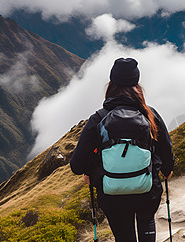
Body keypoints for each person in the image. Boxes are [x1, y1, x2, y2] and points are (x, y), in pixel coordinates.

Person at [70, 58, 174, 242]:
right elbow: (166, 149)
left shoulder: (98, 118)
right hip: (147, 191)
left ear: (111, 84)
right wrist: (166, 169)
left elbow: (77, 165)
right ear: (137, 84)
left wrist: (90, 172)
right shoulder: (150, 115)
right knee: (146, 220)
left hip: (112, 195)